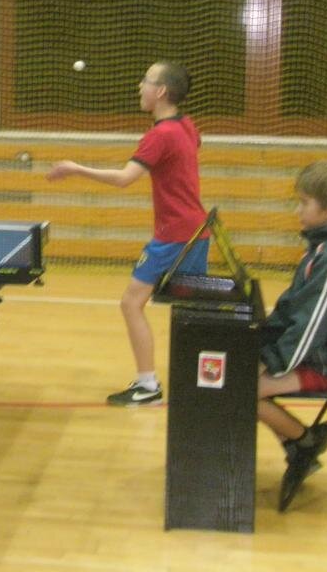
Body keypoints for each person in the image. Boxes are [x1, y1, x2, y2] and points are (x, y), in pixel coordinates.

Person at [46, 62, 208, 406]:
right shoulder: (186, 125)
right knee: (190, 312)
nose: (139, 86)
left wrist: (75, 168)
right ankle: (202, 385)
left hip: (174, 235)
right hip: (197, 230)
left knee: (131, 303)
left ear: (161, 91)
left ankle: (148, 386)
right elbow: (191, 149)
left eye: (146, 80)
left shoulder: (160, 135)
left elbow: (124, 179)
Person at [257, 160, 327, 492]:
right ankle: (298, 446)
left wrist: (271, 361)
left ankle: (306, 443)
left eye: (305, 203)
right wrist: (261, 339)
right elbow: (292, 306)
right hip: (313, 354)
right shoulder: (318, 248)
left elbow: (310, 326)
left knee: (242, 390)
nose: (298, 210)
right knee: (239, 378)